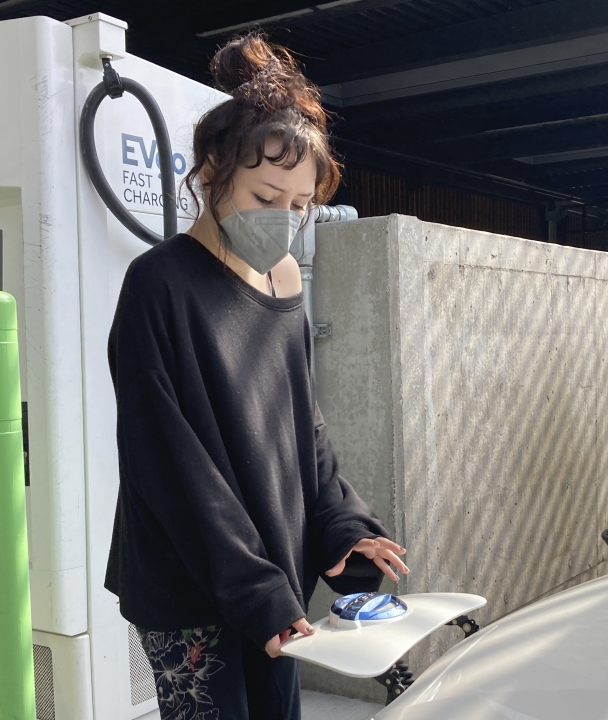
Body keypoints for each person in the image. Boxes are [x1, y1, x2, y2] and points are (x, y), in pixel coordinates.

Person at [105, 33, 410, 720]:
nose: (285, 218)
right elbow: (167, 462)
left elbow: (304, 424)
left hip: (267, 571)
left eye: (301, 204)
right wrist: (253, 587)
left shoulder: (283, 280)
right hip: (190, 580)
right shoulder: (159, 283)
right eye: (268, 194)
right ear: (213, 171)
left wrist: (340, 527)